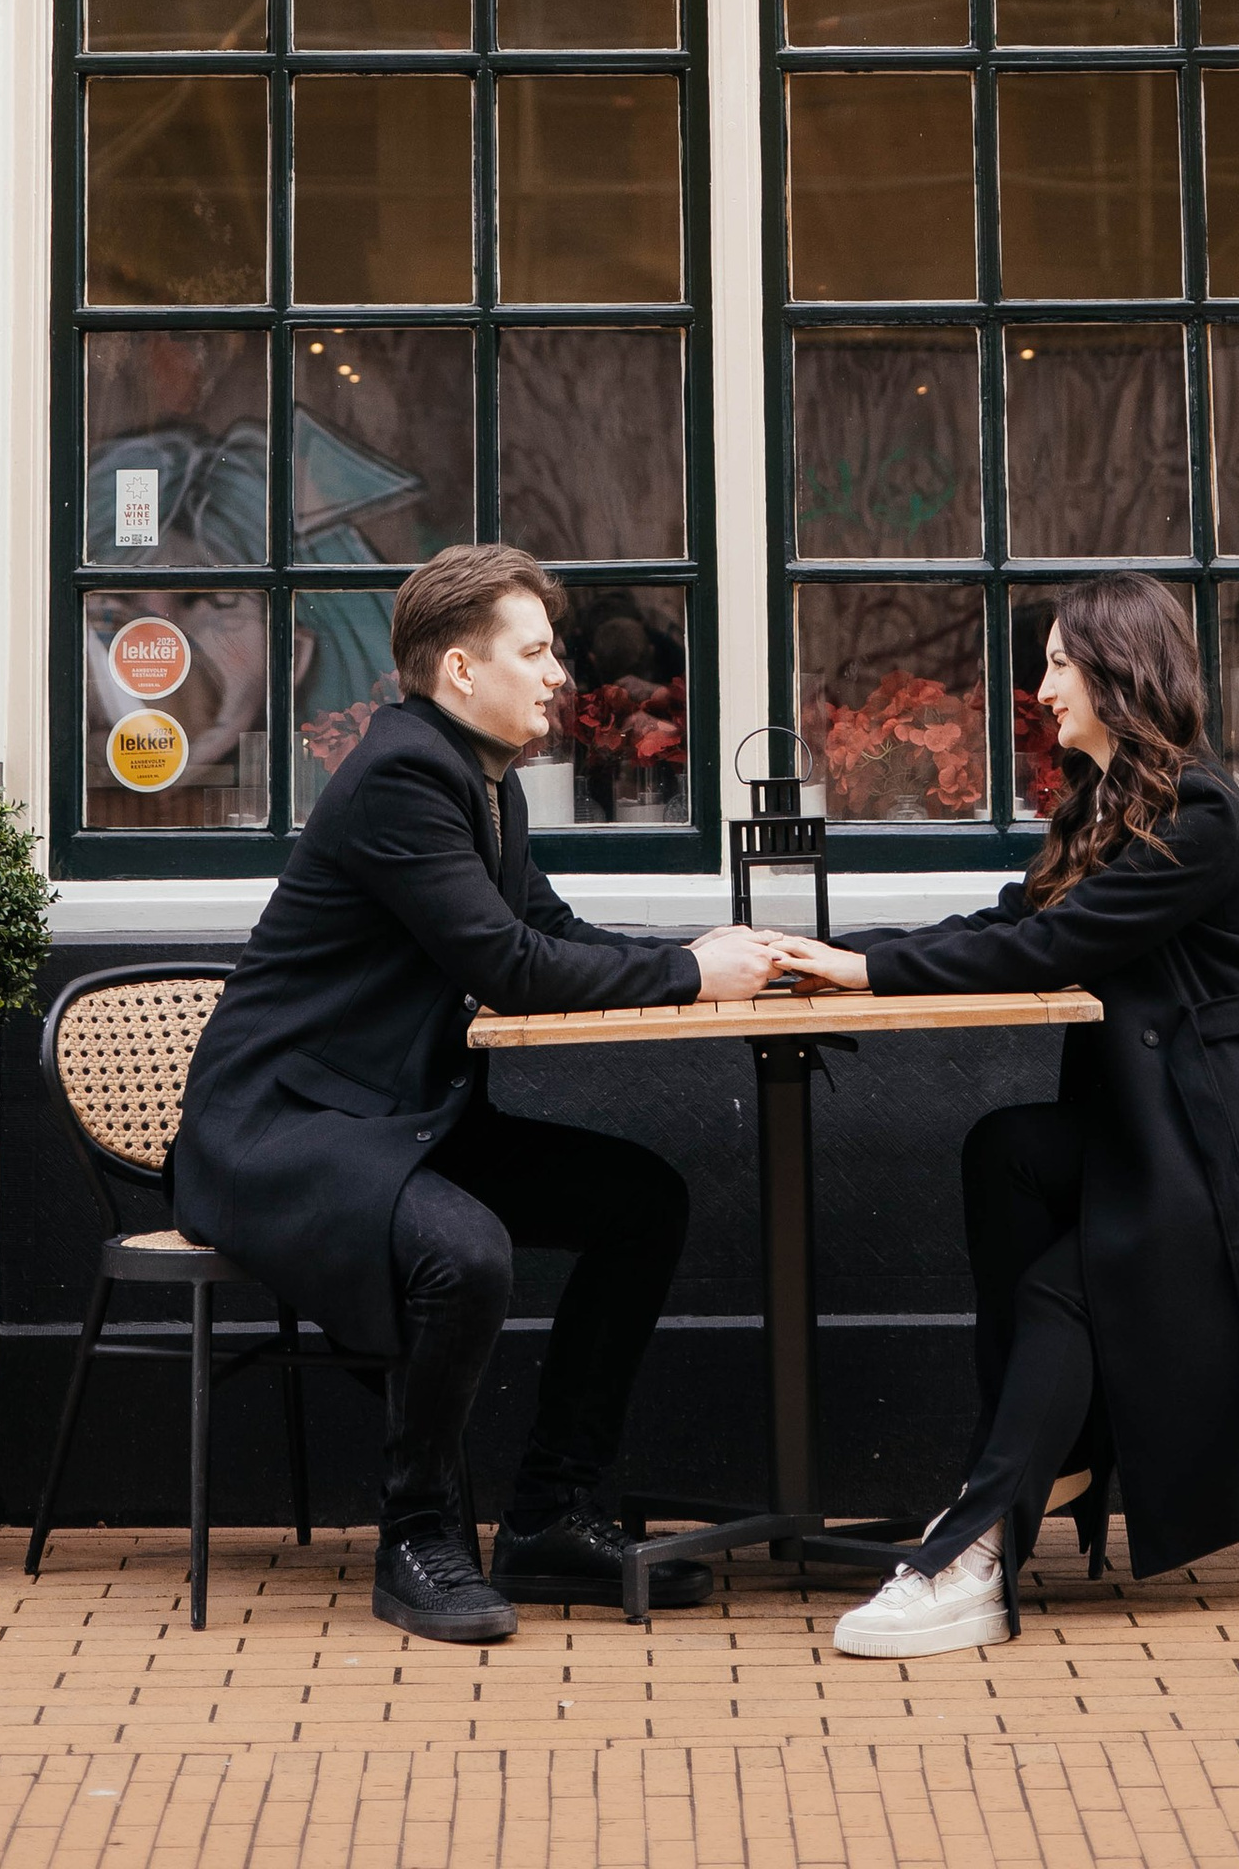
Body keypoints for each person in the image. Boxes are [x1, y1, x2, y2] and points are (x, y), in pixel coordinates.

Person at [768, 572, 1239, 1657]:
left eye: (1058, 662)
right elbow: (1011, 917)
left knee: (1074, 1276)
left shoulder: (1196, 812)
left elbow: (1049, 950)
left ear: (1116, 672)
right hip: (1171, 1127)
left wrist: (863, 975)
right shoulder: (1103, 805)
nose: (1041, 684)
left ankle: (972, 1554)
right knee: (1005, 1151)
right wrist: (853, 956)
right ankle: (1035, 1459)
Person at [172, 542, 794, 1645]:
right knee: (464, 1254)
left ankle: (553, 1516)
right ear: (461, 671)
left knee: (638, 1201)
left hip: (393, 1117)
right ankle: (420, 1540)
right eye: (536, 650)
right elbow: (506, 968)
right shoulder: (407, 774)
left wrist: (704, 954)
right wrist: (694, 975)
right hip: (284, 1125)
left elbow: (545, 933)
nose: (560, 672)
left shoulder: (480, 778)